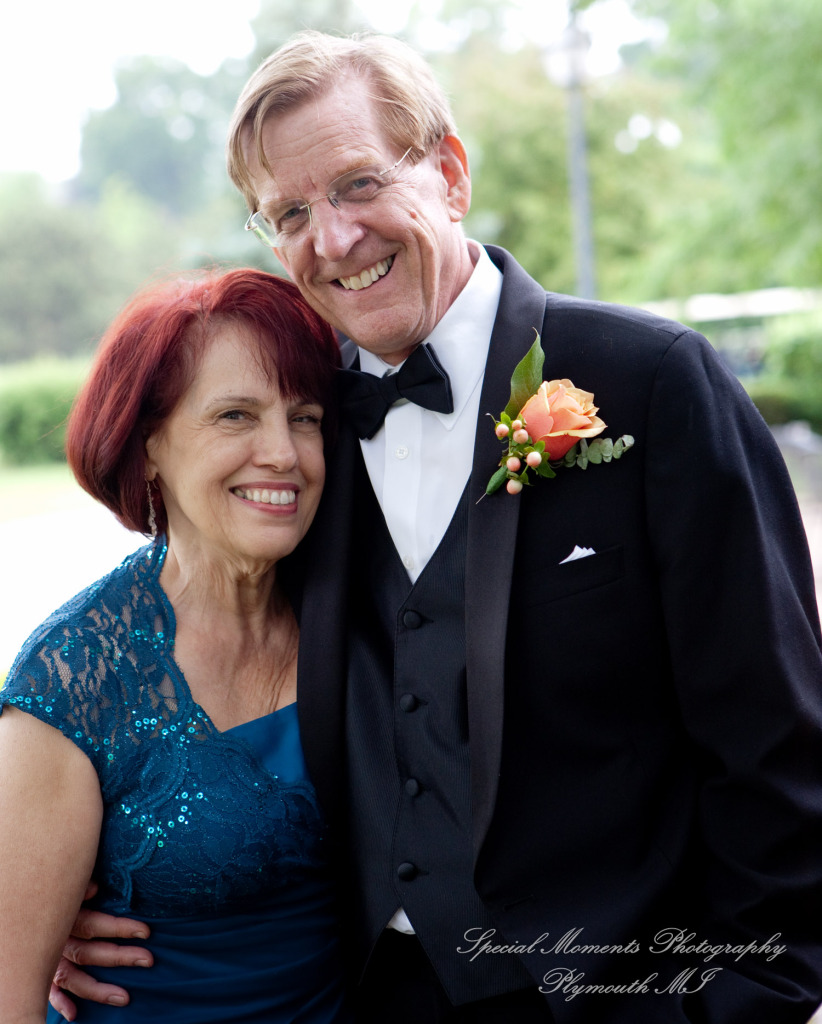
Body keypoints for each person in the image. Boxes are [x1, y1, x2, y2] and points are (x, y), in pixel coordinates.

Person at [52, 31, 822, 1024]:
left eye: (358, 184)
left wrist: (748, 1000)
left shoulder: (653, 381)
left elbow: (775, 741)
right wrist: (77, 887)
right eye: (291, 213)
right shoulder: (297, 434)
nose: (334, 238)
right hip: (366, 997)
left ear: (450, 174)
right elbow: (191, 645)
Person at [0, 267, 352, 1023]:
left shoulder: (359, 609)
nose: (283, 454)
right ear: (148, 443)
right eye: (235, 416)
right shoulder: (76, 676)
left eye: (305, 417)